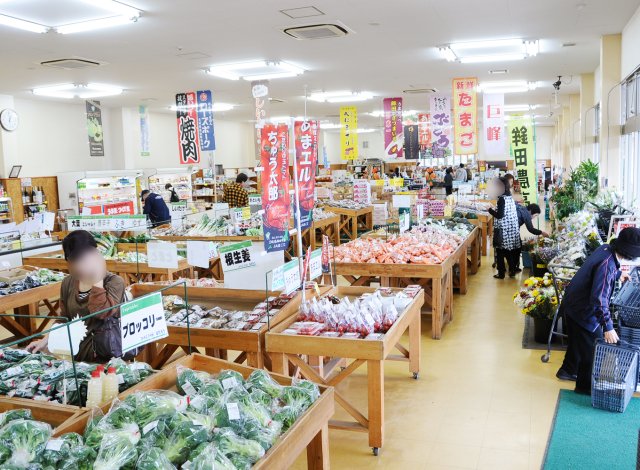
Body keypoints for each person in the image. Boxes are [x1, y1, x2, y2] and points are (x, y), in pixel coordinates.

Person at [556, 227, 640, 394]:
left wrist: (618, 275)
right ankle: (584, 387)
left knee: (577, 342)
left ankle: (567, 370)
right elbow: (598, 299)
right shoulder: (608, 265)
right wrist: (608, 326)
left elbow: (597, 272)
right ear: (631, 252)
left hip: (573, 304)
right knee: (593, 350)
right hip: (583, 309)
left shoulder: (605, 249)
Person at [27, 230, 127, 362]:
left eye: (83, 258)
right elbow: (65, 318)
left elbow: (102, 312)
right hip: (73, 357)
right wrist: (46, 340)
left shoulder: (114, 282)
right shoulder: (68, 283)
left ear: (96, 254)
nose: (79, 264)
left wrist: (97, 278)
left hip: (105, 358)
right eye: (74, 259)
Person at [489, 177, 521, 279]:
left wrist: (489, 209)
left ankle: (501, 273)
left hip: (503, 229)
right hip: (511, 228)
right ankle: (512, 270)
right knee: (507, 251)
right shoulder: (509, 196)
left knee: (500, 251)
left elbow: (500, 215)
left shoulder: (502, 199)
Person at [512, 203, 550, 273]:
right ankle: (513, 268)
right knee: (517, 247)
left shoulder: (523, 208)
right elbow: (531, 229)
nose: (534, 217)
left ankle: (514, 267)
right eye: (535, 215)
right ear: (531, 210)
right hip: (511, 230)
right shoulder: (527, 214)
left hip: (512, 229)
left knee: (517, 246)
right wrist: (542, 232)